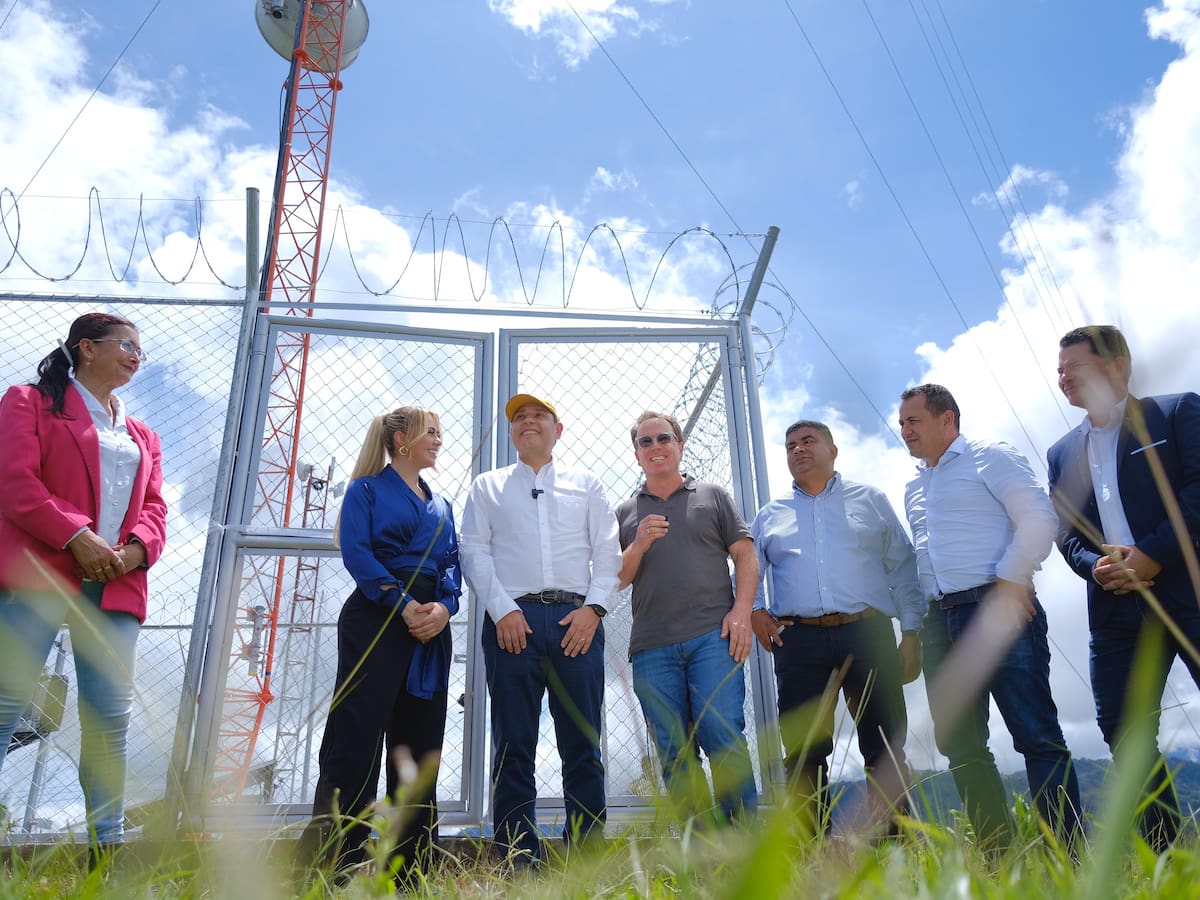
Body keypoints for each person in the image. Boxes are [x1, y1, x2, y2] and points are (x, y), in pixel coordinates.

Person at [0, 313, 167, 860]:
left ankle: (108, 856)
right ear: (86, 349)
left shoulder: (143, 434)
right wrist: (78, 536)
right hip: (41, 575)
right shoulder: (27, 402)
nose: (136, 356)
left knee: (109, 720)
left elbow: (155, 508)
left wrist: (134, 551)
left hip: (115, 586)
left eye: (141, 349)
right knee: (5, 703)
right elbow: (16, 483)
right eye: (126, 345)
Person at [899, 383, 1082, 852]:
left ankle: (1067, 856)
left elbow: (1040, 518)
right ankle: (1001, 859)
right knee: (960, 746)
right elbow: (924, 560)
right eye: (901, 424)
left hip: (997, 607)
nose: (905, 431)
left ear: (947, 419)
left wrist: (1010, 579)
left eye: (913, 421)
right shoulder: (914, 487)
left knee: (1035, 734)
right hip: (940, 618)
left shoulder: (990, 456)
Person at [1047, 325, 1200, 851]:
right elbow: (1065, 534)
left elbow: (1199, 491)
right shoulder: (1061, 452)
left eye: (1076, 366)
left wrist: (1153, 553)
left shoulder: (1177, 412)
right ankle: (1165, 859)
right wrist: (1094, 566)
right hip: (1113, 609)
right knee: (1124, 732)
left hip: (1189, 592)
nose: (1064, 377)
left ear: (1118, 366)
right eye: (1060, 368)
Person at [298, 406, 461, 885]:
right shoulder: (364, 490)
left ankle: (411, 872)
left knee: (420, 743)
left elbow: (453, 564)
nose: (438, 440)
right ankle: (335, 868)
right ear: (400, 440)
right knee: (357, 740)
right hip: (377, 617)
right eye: (430, 432)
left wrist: (444, 610)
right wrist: (407, 606)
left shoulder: (444, 503)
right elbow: (358, 553)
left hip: (432, 627)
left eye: (439, 432)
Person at [460, 394, 620, 866]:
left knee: (583, 743)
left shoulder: (586, 484)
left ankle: (587, 856)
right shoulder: (487, 487)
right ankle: (516, 859)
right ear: (511, 433)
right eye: (518, 418)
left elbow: (607, 551)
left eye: (538, 416)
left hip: (577, 622)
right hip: (513, 623)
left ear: (558, 429)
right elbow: (474, 550)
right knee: (513, 744)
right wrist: (501, 609)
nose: (527, 422)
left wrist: (594, 610)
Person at [750, 420, 923, 835]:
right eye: (790, 445)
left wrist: (912, 632)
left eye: (809, 441)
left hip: (869, 633)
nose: (798, 450)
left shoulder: (871, 500)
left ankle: (897, 845)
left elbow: (901, 566)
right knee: (804, 749)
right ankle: (811, 850)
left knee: (884, 744)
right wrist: (756, 611)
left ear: (833, 449)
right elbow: (749, 572)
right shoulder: (770, 515)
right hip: (800, 639)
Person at [616, 410, 758, 825]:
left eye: (663, 439)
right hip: (652, 647)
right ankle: (700, 850)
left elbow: (745, 555)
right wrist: (639, 543)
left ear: (679, 445)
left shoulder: (712, 495)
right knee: (673, 750)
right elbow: (618, 578)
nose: (655, 447)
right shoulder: (625, 512)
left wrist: (742, 613)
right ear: (637, 454)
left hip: (713, 638)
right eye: (646, 442)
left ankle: (746, 844)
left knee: (723, 736)